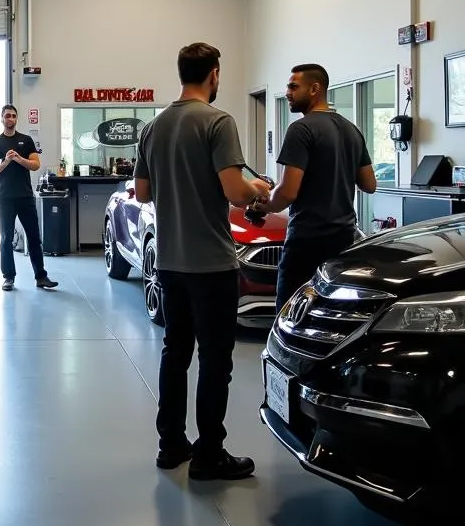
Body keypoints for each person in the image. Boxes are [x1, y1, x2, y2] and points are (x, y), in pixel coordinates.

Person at [133, 43, 270, 480]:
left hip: (170, 262)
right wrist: (259, 189)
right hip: (212, 264)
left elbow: (142, 193)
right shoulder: (218, 121)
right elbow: (234, 191)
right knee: (215, 359)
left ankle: (170, 445)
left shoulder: (153, 128)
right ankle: (210, 453)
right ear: (213, 74)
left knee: (175, 353)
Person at [254, 63, 376, 312]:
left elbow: (287, 193)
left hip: (307, 240)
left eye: (293, 86)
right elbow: (369, 184)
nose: (288, 92)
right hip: (344, 239)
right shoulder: (351, 130)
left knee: (290, 312)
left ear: (315, 89)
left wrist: (262, 203)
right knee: (334, 311)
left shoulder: (301, 129)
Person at [0, 104, 58, 292]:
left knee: (34, 237)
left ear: (16, 119)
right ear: (1, 119)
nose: (10, 118)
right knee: (6, 238)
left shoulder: (26, 141)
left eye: (13, 116)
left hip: (25, 197)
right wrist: (7, 162)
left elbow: (35, 165)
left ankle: (41, 276)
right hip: (4, 198)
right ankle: (8, 277)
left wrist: (18, 158)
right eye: (7, 116)